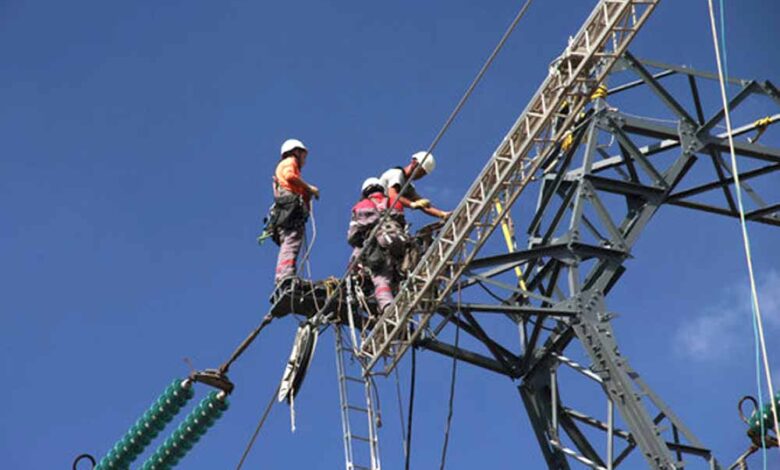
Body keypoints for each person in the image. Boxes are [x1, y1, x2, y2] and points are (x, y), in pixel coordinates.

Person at [347, 177, 408, 315]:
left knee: (381, 280)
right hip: (400, 243)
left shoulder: (363, 205)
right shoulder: (393, 202)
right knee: (400, 277)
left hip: (379, 246)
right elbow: (402, 222)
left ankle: (388, 309)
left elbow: (353, 235)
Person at [268, 138, 319, 288]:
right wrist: (309, 188)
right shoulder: (290, 162)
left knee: (289, 241)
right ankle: (285, 276)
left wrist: (306, 196)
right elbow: (290, 176)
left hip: (285, 210)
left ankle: (284, 275)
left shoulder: (283, 169)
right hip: (289, 208)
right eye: (303, 154)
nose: (304, 159)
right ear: (296, 152)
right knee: (291, 239)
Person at [379, 151, 450, 221]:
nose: (420, 176)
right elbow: (392, 195)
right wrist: (412, 204)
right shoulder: (396, 173)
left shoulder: (408, 186)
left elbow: (422, 204)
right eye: (421, 172)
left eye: (423, 174)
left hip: (386, 216)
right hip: (378, 212)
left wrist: (443, 214)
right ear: (414, 163)